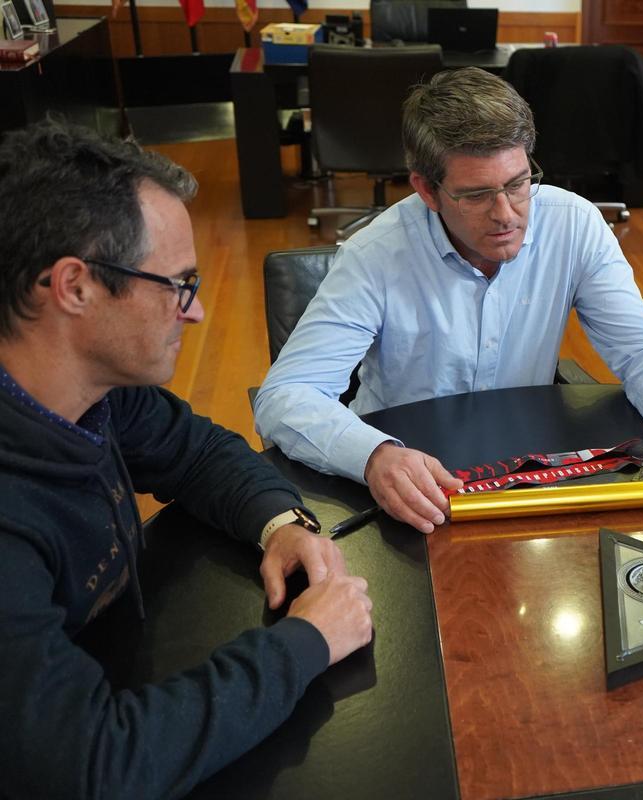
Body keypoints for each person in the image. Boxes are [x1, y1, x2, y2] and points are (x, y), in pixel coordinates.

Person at [0, 120, 374, 799]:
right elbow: (94, 766)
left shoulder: (95, 391)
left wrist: (281, 523)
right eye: (177, 283)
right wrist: (305, 642)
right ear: (74, 287)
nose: (196, 311)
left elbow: (198, 452)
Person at [254, 67, 643, 535]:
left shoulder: (576, 225)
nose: (506, 214)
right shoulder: (374, 255)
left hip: (526, 469)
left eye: (518, 183)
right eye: (477, 194)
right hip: (405, 475)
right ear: (426, 190)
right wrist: (374, 456)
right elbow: (285, 397)